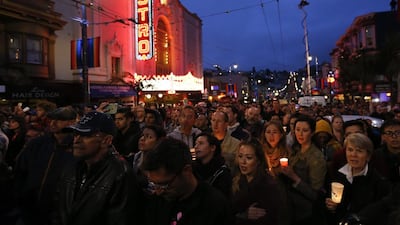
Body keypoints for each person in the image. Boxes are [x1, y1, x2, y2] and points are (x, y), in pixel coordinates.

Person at [53, 111, 141, 225]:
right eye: (75, 134)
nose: (76, 140)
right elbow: (56, 209)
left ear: (107, 140)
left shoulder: (121, 174)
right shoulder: (71, 166)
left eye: (86, 135)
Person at [141, 137, 234, 225]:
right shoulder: (157, 200)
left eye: (164, 184)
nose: (158, 192)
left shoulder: (215, 206)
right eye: (154, 184)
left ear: (186, 171)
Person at [14, 106, 77, 225]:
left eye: (59, 120)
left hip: (59, 213)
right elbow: (21, 170)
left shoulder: (79, 146)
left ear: (72, 122)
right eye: (52, 119)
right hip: (30, 209)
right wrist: (21, 197)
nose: (53, 123)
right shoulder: (38, 143)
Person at [325, 133, 391, 225]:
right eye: (350, 150)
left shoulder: (378, 182)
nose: (353, 155)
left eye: (359, 151)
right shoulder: (338, 175)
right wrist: (332, 207)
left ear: (368, 156)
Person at [280, 115, 327, 225]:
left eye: (305, 130)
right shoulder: (296, 149)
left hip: (305, 211)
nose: (300, 134)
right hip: (290, 205)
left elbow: (316, 194)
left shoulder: (316, 157)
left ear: (312, 132)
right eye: (297, 130)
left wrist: (294, 177)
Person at [232, 138, 282, 225]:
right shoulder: (237, 180)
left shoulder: (268, 186)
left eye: (249, 158)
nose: (243, 162)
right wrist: (242, 215)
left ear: (258, 160)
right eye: (240, 156)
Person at [192, 132, 232, 199]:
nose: (196, 147)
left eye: (201, 143)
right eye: (195, 144)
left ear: (212, 147)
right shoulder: (193, 169)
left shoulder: (222, 172)